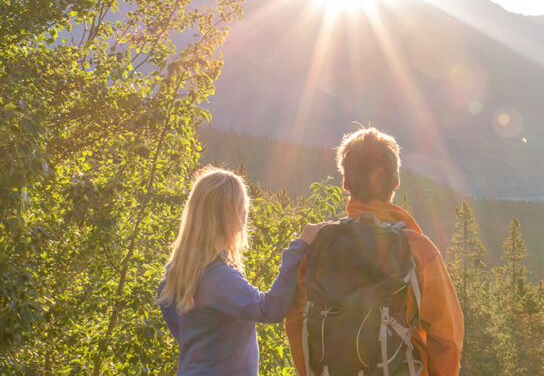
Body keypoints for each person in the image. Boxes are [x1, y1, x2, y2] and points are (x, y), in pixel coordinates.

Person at [285, 127, 464, 375]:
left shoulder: (318, 244)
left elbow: (296, 320)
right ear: (396, 183)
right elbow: (446, 340)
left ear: (346, 183)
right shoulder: (419, 251)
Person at [157, 167, 322, 375]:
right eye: (242, 207)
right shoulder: (217, 276)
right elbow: (268, 309)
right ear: (230, 216)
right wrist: (299, 247)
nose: (246, 214)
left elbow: (169, 310)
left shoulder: (179, 271)